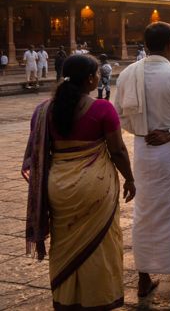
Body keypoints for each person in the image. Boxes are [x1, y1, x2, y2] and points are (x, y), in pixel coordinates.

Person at [23, 54, 135, 311]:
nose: (98, 78)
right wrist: (130, 178)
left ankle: (66, 299)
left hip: (57, 183)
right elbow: (117, 150)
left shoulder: (43, 111)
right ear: (90, 79)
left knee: (63, 242)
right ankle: (99, 298)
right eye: (96, 74)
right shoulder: (102, 108)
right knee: (101, 243)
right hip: (95, 183)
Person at [113, 22, 170, 301]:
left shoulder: (128, 73)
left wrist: (142, 132)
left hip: (144, 150)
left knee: (146, 213)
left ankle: (144, 279)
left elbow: (118, 116)